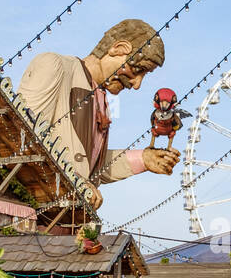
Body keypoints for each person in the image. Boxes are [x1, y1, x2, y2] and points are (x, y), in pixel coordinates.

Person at [17, 20, 180, 205]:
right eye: (139, 70)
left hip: (70, 217)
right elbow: (22, 137)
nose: (137, 84)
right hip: (30, 210)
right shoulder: (54, 66)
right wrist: (76, 181)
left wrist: (143, 159)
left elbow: (90, 166)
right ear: (119, 48)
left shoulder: (100, 99)